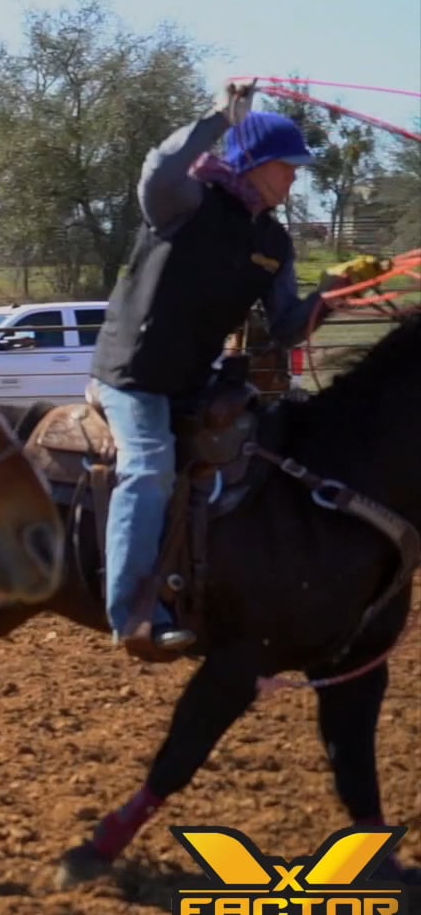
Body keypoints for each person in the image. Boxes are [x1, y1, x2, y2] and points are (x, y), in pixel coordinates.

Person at [89, 82, 362, 659]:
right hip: (132, 378)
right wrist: (219, 118)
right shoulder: (185, 203)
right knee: (149, 470)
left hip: (192, 382)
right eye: (288, 168)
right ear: (258, 163)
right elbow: (157, 167)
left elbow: (287, 325)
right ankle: (133, 610)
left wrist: (332, 294)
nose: (295, 179)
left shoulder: (274, 242)